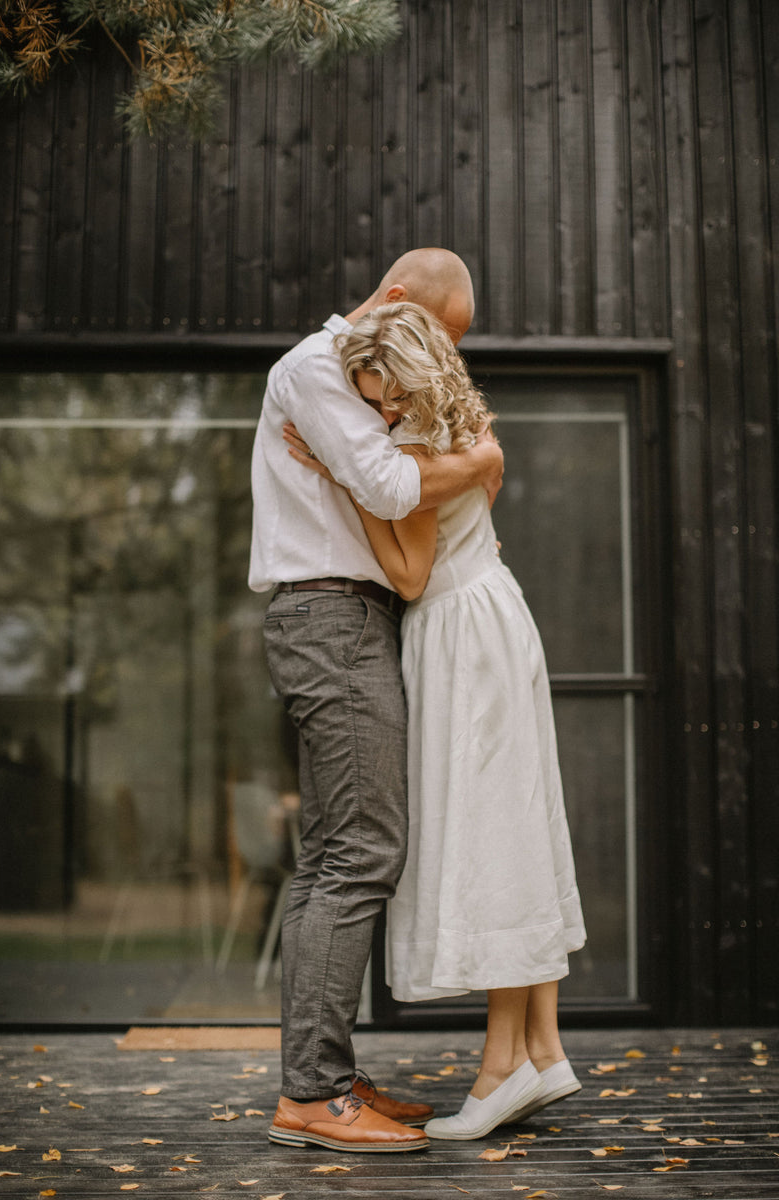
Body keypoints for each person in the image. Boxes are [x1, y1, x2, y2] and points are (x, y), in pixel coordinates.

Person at [289, 301, 587, 1141]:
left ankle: (503, 1068)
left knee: (493, 833)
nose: (377, 413)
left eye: (384, 395)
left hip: (456, 628)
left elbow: (411, 575)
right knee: (519, 823)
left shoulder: (414, 445)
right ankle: (541, 1046)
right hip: (494, 613)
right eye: (367, 398)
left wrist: (344, 485)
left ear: (414, 381)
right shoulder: (465, 418)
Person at [248, 250, 505, 1154]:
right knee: (360, 849)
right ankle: (313, 1093)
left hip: (349, 617)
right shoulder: (315, 368)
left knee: (335, 851)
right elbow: (394, 486)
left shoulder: (356, 381)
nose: (430, 363)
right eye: (434, 334)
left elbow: (394, 508)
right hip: (328, 617)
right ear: (397, 303)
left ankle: (324, 1075)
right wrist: (478, 459)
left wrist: (466, 458)